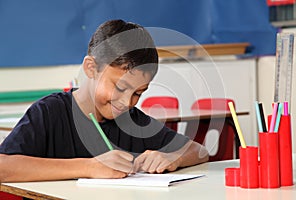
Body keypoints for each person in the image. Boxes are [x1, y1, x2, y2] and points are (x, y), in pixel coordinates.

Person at [0, 19, 208, 182]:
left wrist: (173, 157)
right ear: (91, 68)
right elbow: (3, 167)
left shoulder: (133, 120)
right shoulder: (49, 112)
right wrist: (90, 166)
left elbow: (199, 151)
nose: (126, 102)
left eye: (138, 93)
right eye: (120, 87)